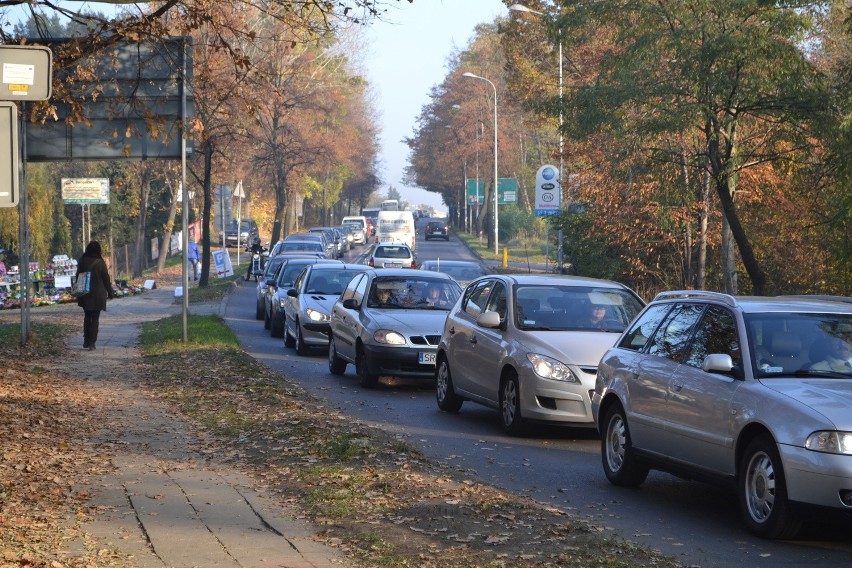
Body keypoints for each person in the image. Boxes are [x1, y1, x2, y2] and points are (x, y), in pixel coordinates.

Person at [76, 241, 115, 351]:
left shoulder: (82, 260)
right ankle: (92, 343)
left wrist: (77, 290)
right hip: (98, 294)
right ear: (98, 250)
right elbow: (106, 279)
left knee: (87, 316)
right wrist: (110, 292)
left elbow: (78, 276)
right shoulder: (100, 262)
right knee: (95, 318)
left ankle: (86, 340)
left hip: (85, 293)